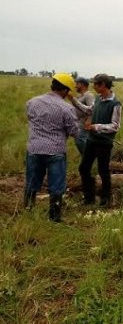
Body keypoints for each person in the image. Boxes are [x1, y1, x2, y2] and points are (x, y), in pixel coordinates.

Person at [25, 73, 79, 222]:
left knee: (32, 182)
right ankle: (54, 217)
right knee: (56, 185)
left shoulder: (32, 102)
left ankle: (28, 211)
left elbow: (30, 118)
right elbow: (74, 132)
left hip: (34, 149)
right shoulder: (66, 108)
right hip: (56, 151)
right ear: (66, 90)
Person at [68, 73, 122, 206]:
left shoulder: (116, 104)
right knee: (84, 168)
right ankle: (89, 198)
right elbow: (88, 110)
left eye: (95, 84)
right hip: (92, 140)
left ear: (103, 85)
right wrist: (73, 100)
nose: (93, 86)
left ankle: (106, 198)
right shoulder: (98, 99)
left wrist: (96, 127)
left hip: (104, 143)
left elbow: (115, 126)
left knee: (103, 170)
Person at [73, 77, 95, 154]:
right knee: (79, 141)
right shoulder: (80, 96)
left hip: (84, 123)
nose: (75, 86)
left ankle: (88, 157)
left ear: (82, 84)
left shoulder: (89, 95)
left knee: (81, 141)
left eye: (77, 84)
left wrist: (89, 119)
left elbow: (92, 109)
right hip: (78, 123)